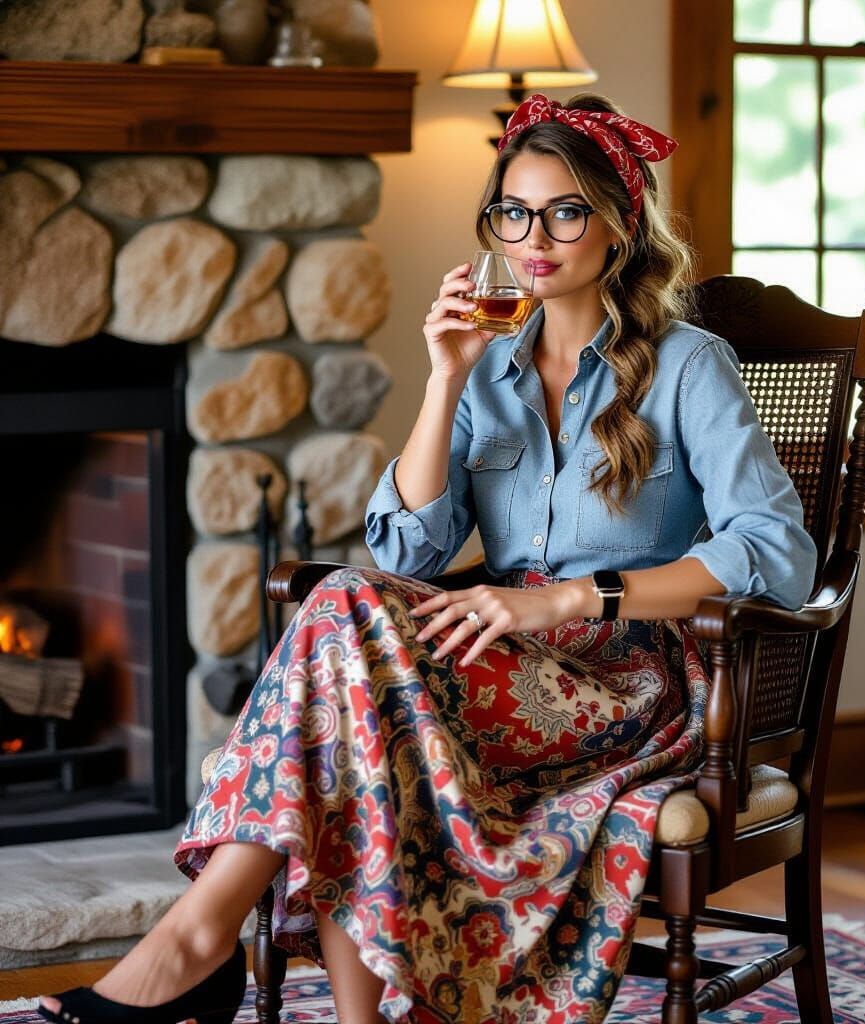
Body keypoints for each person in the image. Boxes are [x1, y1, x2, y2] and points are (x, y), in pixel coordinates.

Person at [39, 93, 817, 1024]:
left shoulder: (691, 364)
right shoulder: (488, 365)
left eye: (566, 210)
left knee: (340, 632)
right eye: (513, 212)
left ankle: (194, 944)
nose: (536, 236)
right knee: (348, 646)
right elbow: (403, 548)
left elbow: (775, 550)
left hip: (628, 674)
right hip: (491, 656)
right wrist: (445, 376)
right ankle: (223, 960)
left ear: (619, 224)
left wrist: (573, 599)